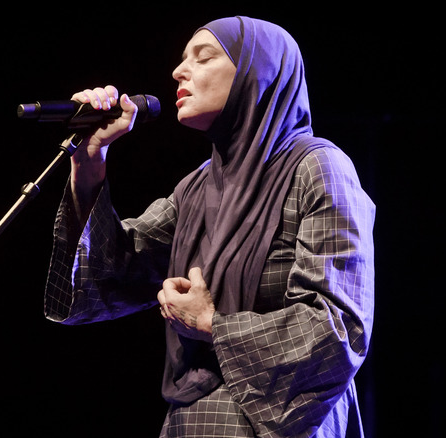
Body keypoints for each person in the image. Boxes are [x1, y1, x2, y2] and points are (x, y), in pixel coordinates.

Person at [44, 16, 375, 437]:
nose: (179, 71)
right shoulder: (198, 187)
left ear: (257, 74)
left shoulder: (318, 168)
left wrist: (213, 325)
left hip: (281, 424)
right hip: (193, 422)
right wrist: (89, 160)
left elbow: (338, 328)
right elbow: (112, 272)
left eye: (204, 58)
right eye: (183, 59)